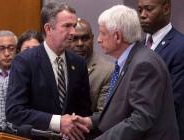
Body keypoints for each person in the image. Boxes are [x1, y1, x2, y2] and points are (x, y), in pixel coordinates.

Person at [73, 5, 179, 140]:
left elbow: (141, 119)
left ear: (117, 36)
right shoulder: (130, 60)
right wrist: (91, 121)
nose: (99, 39)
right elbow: (122, 110)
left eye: (103, 33)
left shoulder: (144, 64)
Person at [6, 2, 92, 140]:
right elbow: (14, 111)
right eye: (67, 26)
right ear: (48, 28)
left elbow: (84, 109)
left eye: (74, 26)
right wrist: (58, 122)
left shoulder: (79, 63)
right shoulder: (25, 61)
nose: (73, 32)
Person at [138, 0, 184, 138]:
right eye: (139, 10)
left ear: (166, 9)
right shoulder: (138, 46)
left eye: (148, 9)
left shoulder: (180, 47)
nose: (142, 15)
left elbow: (174, 102)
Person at [69, 18, 114, 112]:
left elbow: (103, 115)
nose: (80, 44)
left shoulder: (107, 71)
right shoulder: (60, 66)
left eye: (85, 38)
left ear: (92, 39)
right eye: (74, 39)